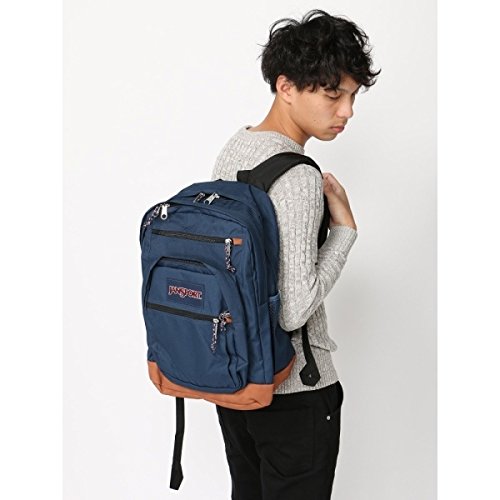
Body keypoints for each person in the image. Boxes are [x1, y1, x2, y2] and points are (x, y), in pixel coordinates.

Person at [210, 9, 380, 500]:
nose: (347, 111)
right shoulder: (299, 176)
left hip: (238, 382)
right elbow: (292, 310)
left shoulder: (237, 147)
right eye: (333, 94)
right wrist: (343, 232)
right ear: (286, 86)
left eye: (352, 96)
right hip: (296, 389)